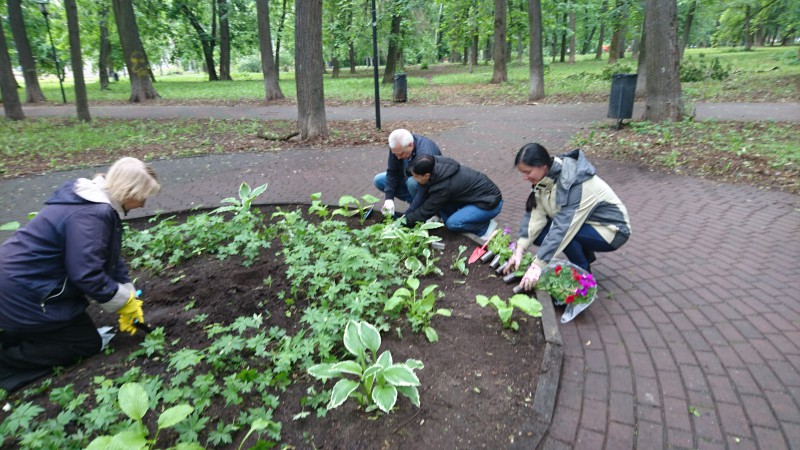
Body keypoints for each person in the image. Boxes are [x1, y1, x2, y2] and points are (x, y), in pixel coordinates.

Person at [0, 157, 161, 392]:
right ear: (128, 191)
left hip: (22, 283)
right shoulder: (94, 215)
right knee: (86, 342)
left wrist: (127, 294)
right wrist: (122, 302)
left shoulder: (91, 201)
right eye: (142, 196)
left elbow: (110, 257)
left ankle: (18, 331)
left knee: (70, 331)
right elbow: (87, 274)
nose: (143, 204)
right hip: (24, 292)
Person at [503, 143, 631, 291]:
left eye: (528, 172)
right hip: (585, 223)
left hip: (612, 230)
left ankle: (584, 281)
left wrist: (537, 266)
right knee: (542, 234)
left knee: (566, 235)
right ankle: (584, 258)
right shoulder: (544, 180)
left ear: (543, 166)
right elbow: (535, 216)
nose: (525, 177)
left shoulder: (574, 181)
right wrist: (519, 249)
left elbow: (564, 228)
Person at [403, 155, 502, 241]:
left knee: (453, 224)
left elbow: (425, 210)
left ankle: (485, 228)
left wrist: (403, 222)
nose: (414, 179)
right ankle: (468, 218)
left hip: (489, 203)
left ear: (427, 176)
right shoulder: (435, 164)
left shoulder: (443, 186)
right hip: (473, 197)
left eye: (416, 176)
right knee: (444, 215)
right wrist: (407, 215)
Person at [373, 128, 442, 217]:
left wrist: (407, 214)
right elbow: (392, 172)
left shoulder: (424, 155)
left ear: (411, 145)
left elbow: (426, 186)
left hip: (430, 185)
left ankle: (430, 212)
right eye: (395, 154)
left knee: (412, 182)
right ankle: (416, 206)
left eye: (401, 154)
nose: (398, 158)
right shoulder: (398, 148)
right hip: (409, 176)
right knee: (379, 180)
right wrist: (389, 199)